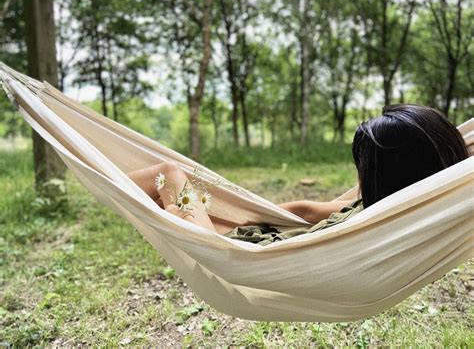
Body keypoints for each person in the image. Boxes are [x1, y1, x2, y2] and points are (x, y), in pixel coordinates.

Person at [127, 104, 469, 245]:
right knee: (171, 188)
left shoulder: (372, 218)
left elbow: (305, 210)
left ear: (388, 174)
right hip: (247, 238)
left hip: (236, 252)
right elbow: (304, 211)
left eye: (363, 167)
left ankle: (130, 199)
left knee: (169, 176)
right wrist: (255, 215)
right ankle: (157, 213)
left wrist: (181, 217)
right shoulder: (377, 209)